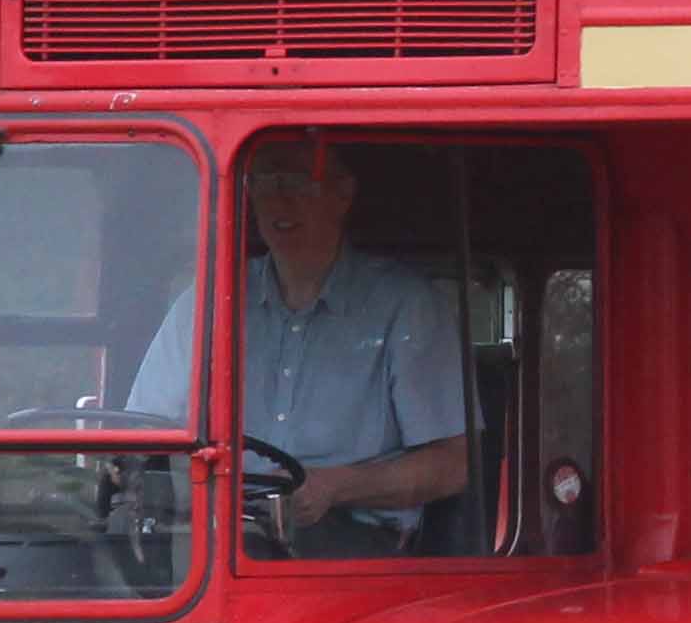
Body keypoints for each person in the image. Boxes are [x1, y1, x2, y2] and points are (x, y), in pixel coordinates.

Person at [126, 135, 473, 552]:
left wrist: (336, 487)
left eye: (295, 181)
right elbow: (143, 434)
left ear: (342, 193)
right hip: (216, 541)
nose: (278, 200)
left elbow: (453, 466)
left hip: (353, 543)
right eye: (264, 182)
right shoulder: (208, 302)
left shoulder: (405, 306)